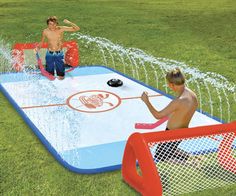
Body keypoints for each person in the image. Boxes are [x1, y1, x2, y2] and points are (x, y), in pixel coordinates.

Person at [141, 68, 198, 163]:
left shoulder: (178, 101)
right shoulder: (192, 95)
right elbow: (184, 111)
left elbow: (158, 115)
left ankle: (190, 163)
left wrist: (146, 101)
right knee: (169, 150)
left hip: (171, 133)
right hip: (184, 131)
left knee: (160, 156)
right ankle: (191, 157)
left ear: (171, 84)